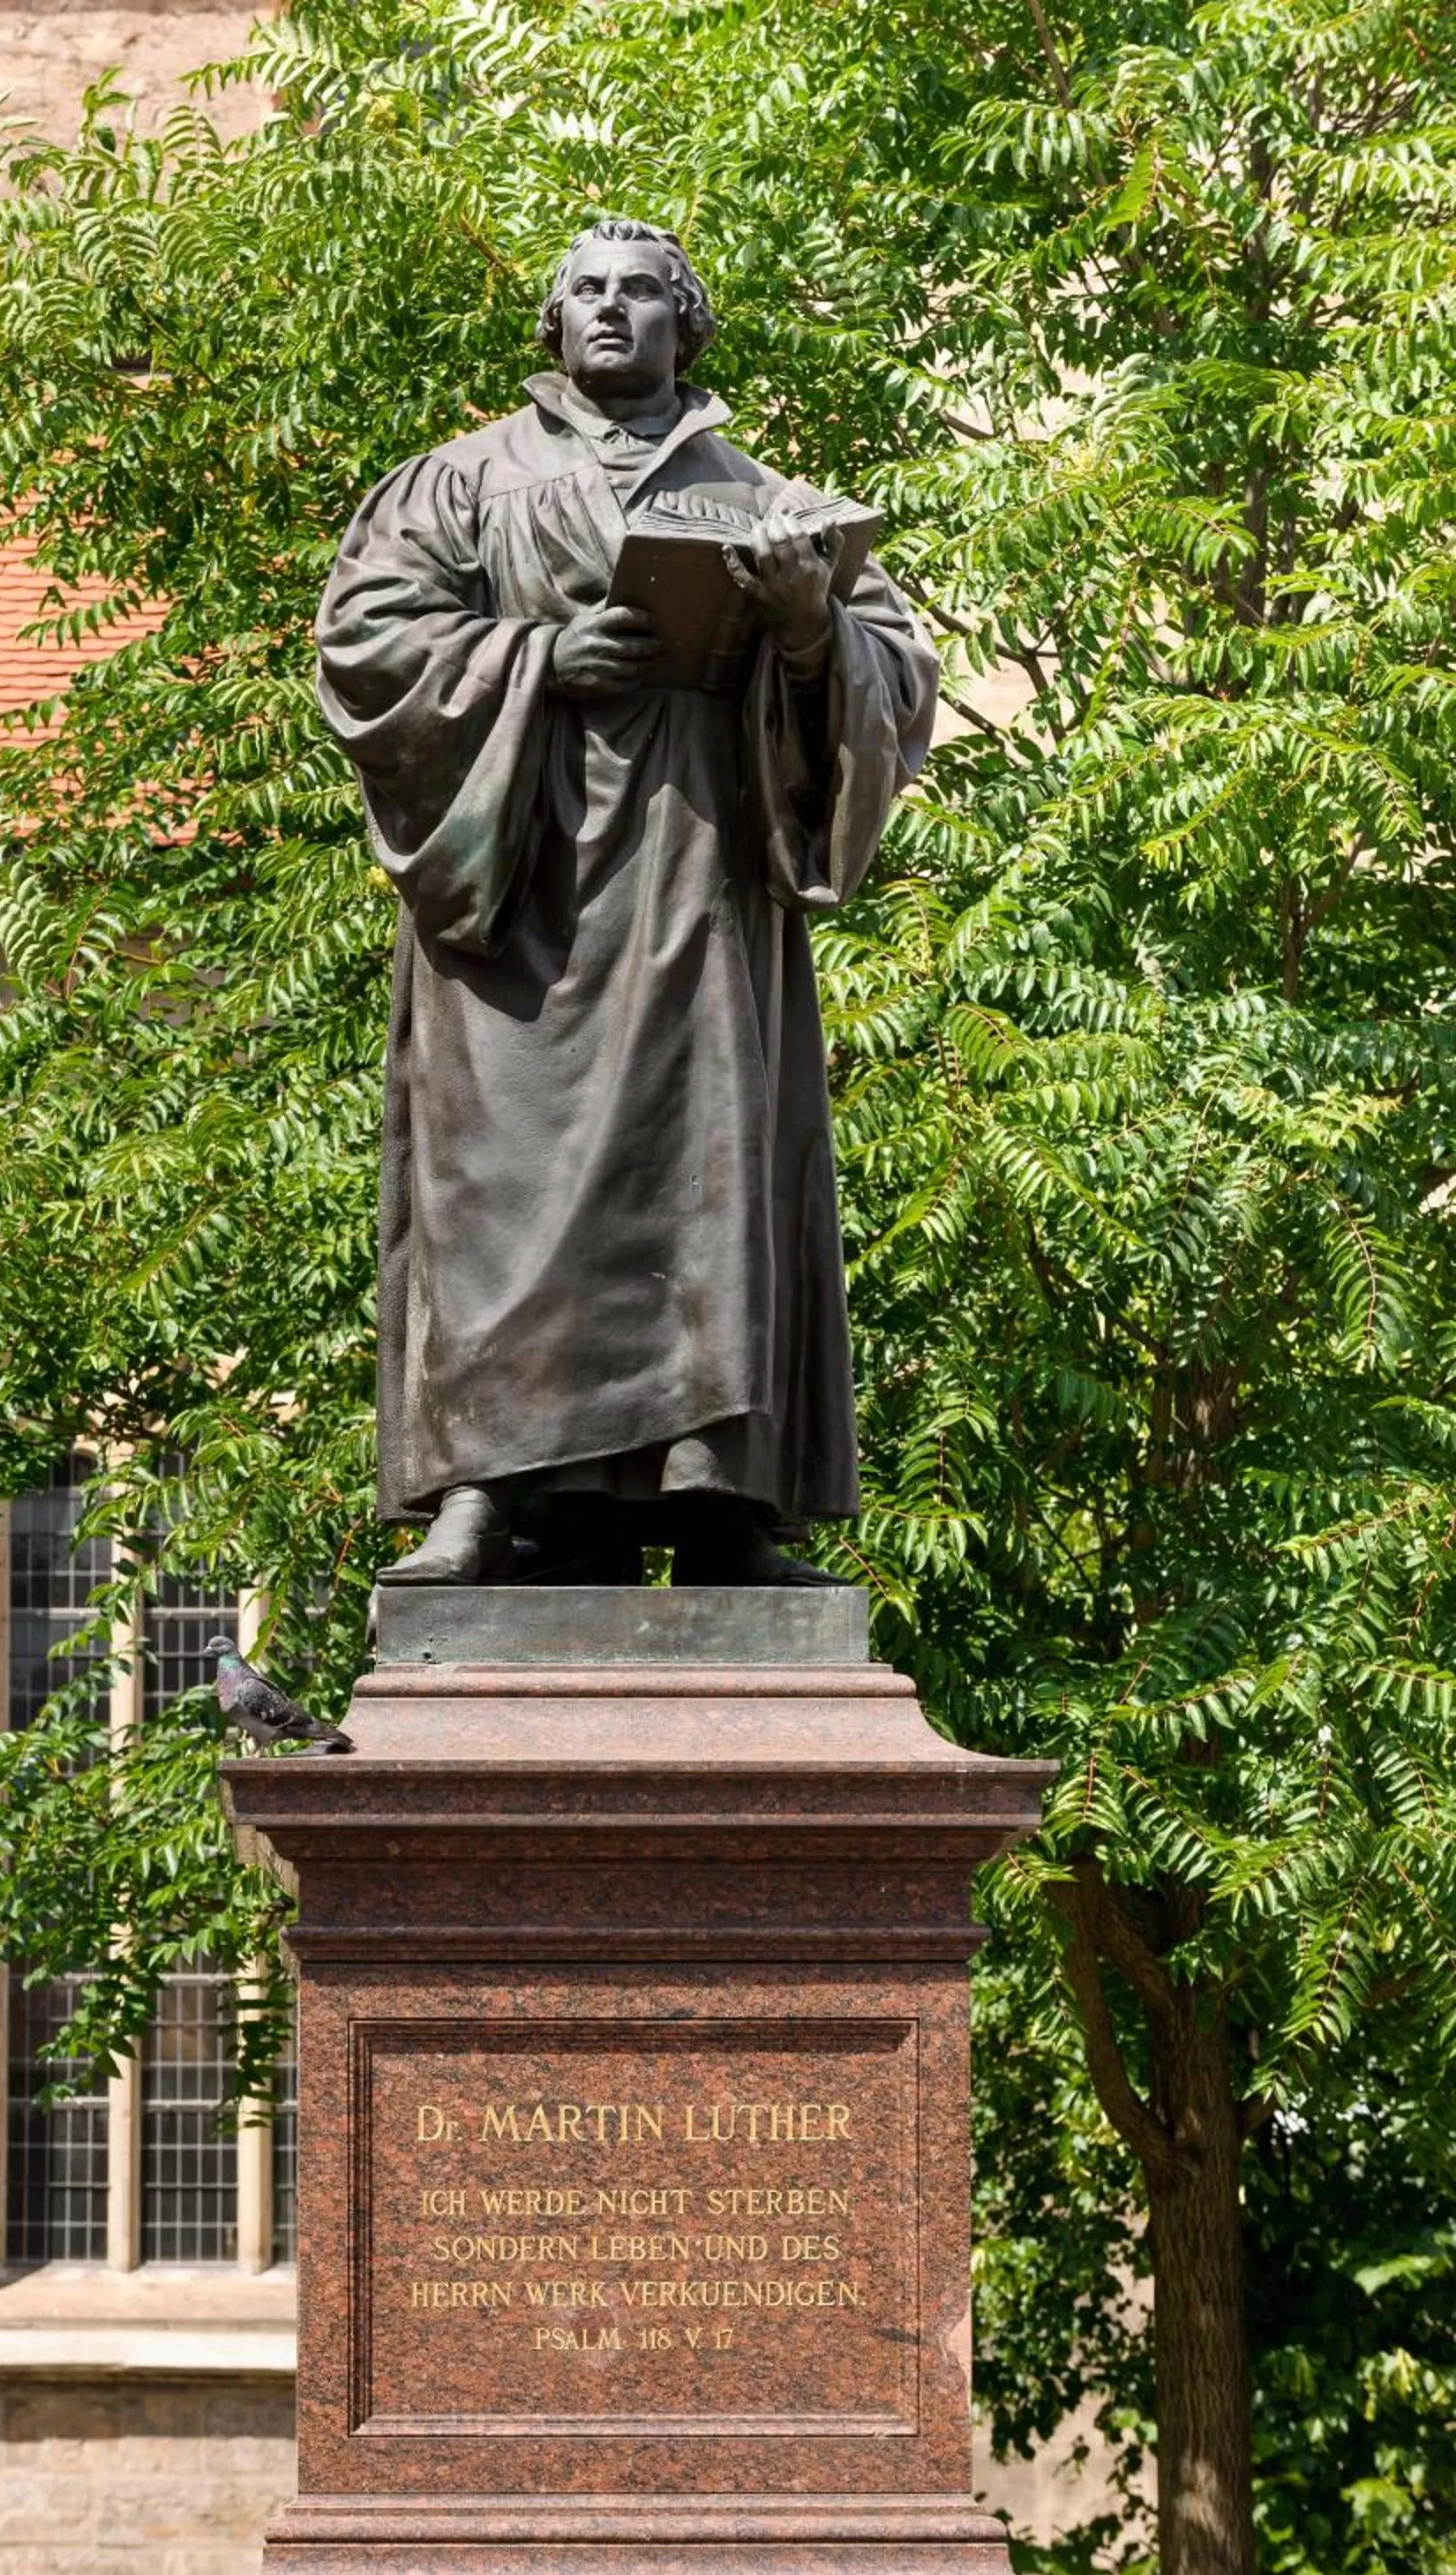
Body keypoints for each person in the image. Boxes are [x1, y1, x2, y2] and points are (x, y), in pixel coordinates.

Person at [315, 219, 938, 1585]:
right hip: (522, 900)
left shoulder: (768, 501)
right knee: (495, 1188)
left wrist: (806, 628)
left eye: (642, 292)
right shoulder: (458, 483)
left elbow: (899, 679)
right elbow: (365, 649)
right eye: (586, 290)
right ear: (553, 324)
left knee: (708, 1184)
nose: (612, 310)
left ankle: (719, 1497)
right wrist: (540, 658)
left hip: (700, 885)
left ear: (685, 324)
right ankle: (487, 1489)